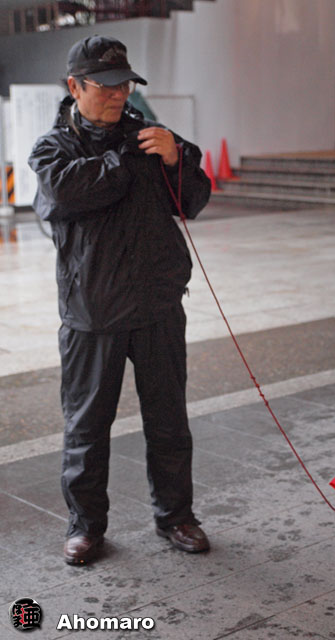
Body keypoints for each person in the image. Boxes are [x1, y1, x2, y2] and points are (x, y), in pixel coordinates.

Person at [28, 35, 212, 565]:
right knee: (86, 429)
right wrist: (125, 159)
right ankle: (86, 527)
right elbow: (69, 192)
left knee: (169, 422)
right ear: (75, 86)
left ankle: (176, 516)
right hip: (93, 313)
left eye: (125, 85)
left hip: (157, 306)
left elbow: (193, 200)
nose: (117, 95)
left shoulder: (151, 137)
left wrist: (176, 159)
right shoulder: (53, 148)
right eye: (105, 86)